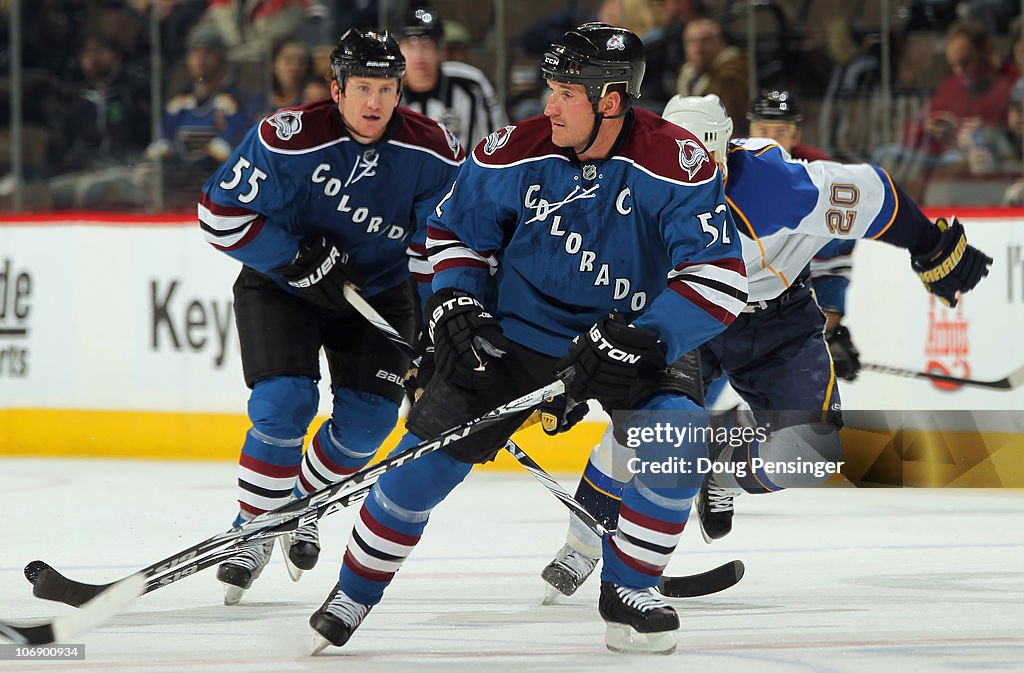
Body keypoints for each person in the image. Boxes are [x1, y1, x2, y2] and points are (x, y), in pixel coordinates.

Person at [308, 23, 748, 656]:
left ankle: (630, 593)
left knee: (677, 437)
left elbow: (717, 277)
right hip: (518, 337)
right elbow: (453, 234)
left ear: (611, 100)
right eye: (550, 89)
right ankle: (352, 592)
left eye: (566, 92)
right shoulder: (510, 150)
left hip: (632, 336)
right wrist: (456, 303)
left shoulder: (677, 163)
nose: (548, 106)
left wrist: (647, 335)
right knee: (418, 469)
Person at [540, 93, 993, 601]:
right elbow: (594, 277)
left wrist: (928, 244)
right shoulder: (631, 187)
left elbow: (875, 194)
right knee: (638, 431)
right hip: (686, 316)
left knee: (811, 453)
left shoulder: (781, 186)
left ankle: (716, 465)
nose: (691, 180)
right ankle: (579, 548)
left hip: (777, 319)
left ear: (725, 152)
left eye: (703, 165)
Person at [197, 28, 464, 605]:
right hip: (284, 286)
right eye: (363, 87)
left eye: (387, 89)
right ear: (336, 88)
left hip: (379, 292)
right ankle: (254, 527)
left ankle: (298, 503)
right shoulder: (287, 138)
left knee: (368, 426)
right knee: (283, 406)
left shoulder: (434, 152)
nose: (375, 103)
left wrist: (438, 321)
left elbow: (435, 247)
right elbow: (218, 215)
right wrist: (293, 256)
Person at [746, 88, 861, 381]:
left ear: (796, 135)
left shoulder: (822, 179)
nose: (769, 139)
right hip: (725, 304)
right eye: (762, 129)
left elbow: (834, 257)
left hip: (786, 308)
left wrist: (829, 320)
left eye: (780, 131)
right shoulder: (724, 168)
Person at [145, 24, 255, 207]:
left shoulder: (234, 99)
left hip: (217, 181)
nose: (200, 60)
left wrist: (193, 168)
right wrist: (171, 164)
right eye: (195, 53)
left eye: (207, 53)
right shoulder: (179, 101)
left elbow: (227, 148)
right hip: (179, 178)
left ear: (221, 59)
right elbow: (162, 142)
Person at [395, 6, 508, 150]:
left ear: (441, 50)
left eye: (426, 46)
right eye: (410, 46)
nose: (418, 56)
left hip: (467, 171)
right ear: (398, 51)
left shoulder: (472, 84)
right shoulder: (387, 90)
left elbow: (500, 137)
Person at [676, 17, 749, 133]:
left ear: (721, 42)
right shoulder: (687, 76)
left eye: (705, 40)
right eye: (691, 41)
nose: (698, 48)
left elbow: (733, 127)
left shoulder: (731, 76)